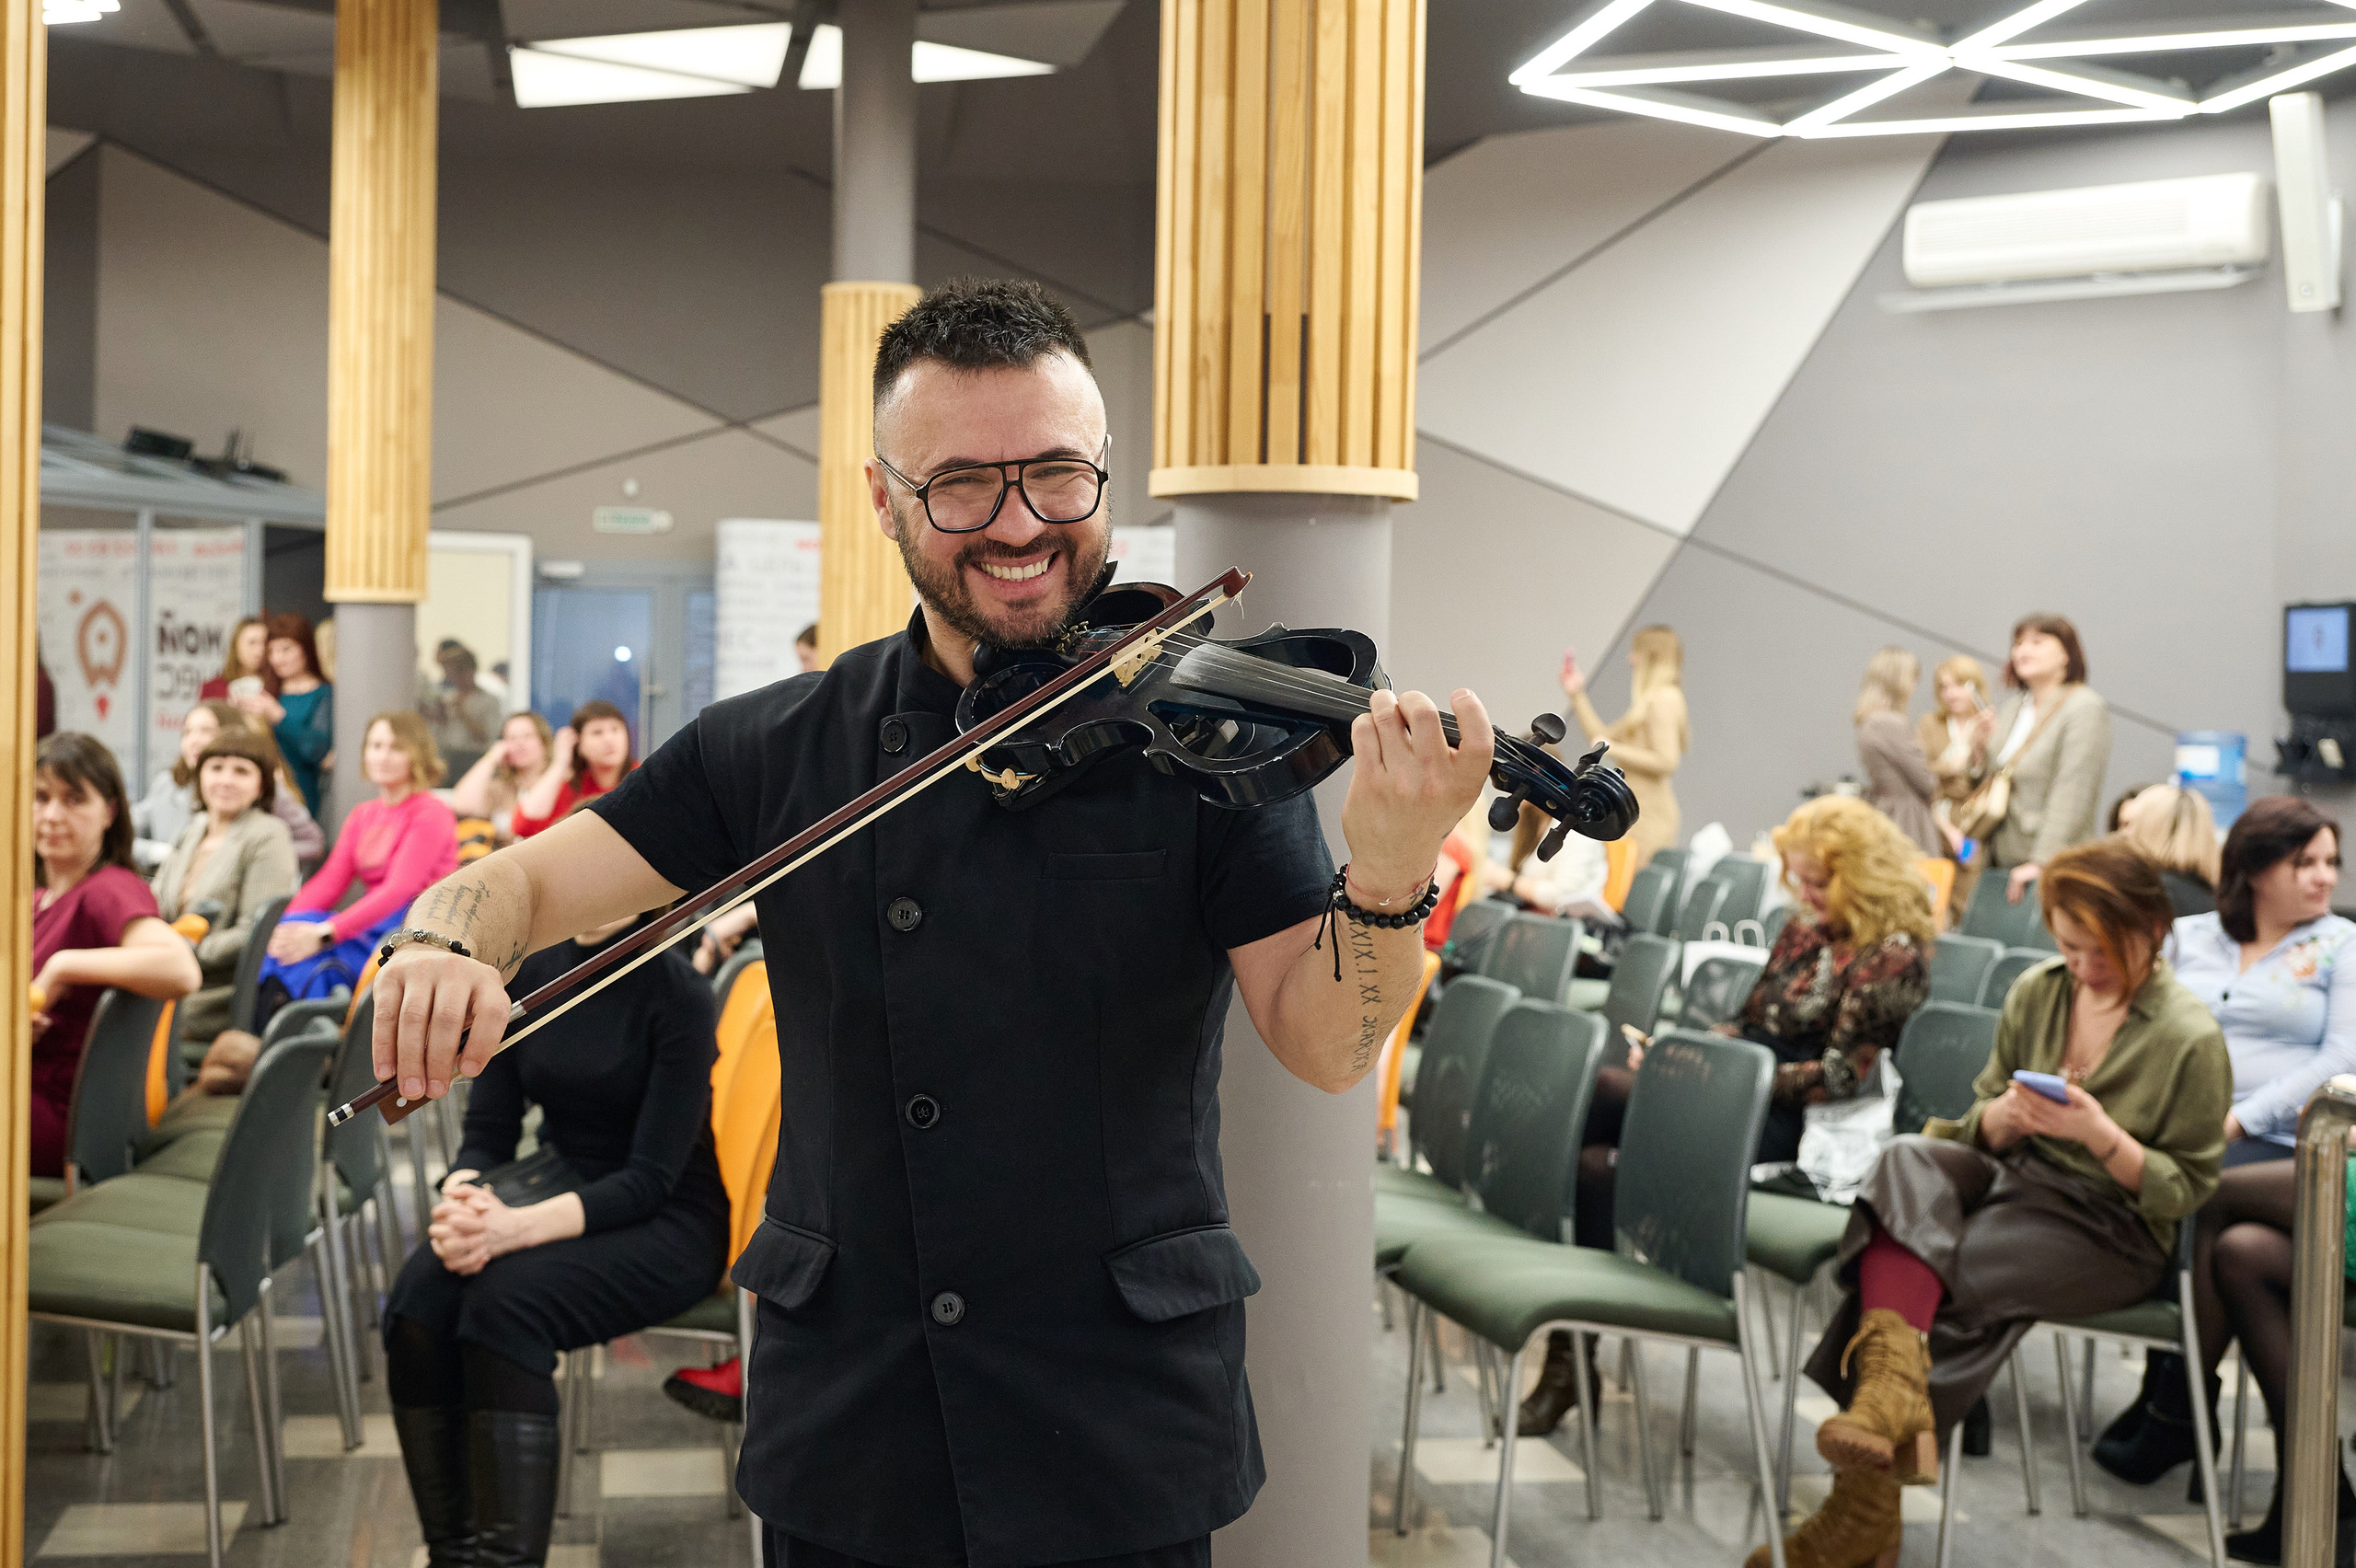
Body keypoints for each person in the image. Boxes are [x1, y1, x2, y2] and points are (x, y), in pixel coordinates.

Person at [368, 276, 1493, 1567]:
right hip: (858, 1408)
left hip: (1116, 1414)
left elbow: (1327, 1045)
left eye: (1057, 476)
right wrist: (442, 943)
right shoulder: (779, 746)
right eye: (962, 485)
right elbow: (517, 886)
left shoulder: (1200, 741)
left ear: (1105, 478)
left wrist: (1393, 869)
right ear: (883, 500)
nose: (1020, 525)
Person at [1755, 839, 2228, 1568]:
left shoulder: (2189, 1036)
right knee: (1909, 1158)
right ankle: (1886, 1408)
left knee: (1935, 1271)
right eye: (2070, 947)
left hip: (2113, 1225)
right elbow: (1974, 1119)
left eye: (2100, 951)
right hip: (2018, 1175)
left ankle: (1860, 1505)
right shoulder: (2042, 989)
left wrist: (2100, 1135)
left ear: (2153, 930)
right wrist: (2003, 1118)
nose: (2083, 967)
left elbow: (2187, 1189)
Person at [1521, 795, 1931, 1437]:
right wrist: (1696, 1052)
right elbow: (1744, 1022)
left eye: (1821, 882)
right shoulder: (1803, 929)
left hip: (1798, 1124)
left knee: (1603, 1092)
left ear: (1864, 877)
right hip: (1736, 1087)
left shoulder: (1893, 956)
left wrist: (1729, 1074)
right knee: (1595, 1166)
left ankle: (1563, 1323)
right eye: (1802, 880)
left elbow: (1841, 1076)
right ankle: (1571, 1358)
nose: (1808, 894)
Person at [387, 905, 730, 1568]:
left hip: (669, 1218)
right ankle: (451, 1553)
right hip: (556, 1174)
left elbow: (649, 1180)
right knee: (418, 1298)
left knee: (504, 1305)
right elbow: (488, 1131)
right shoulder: (531, 975)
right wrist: (463, 1197)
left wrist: (510, 1230)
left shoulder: (679, 992)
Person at [2094, 796, 2356, 1503]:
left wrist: (2239, 1120)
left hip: (2297, 1144)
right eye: (2306, 863)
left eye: (2331, 861)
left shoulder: (2342, 945)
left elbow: (2340, 1059)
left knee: (2196, 1190)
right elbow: (2145, 1028)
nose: (2326, 878)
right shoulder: (2189, 938)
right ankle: (2311, 1492)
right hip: (2189, 1130)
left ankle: (2176, 1407)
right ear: (2255, 868)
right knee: (2233, 1245)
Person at [29, 734, 201, 1177]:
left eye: (73, 800)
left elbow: (180, 968)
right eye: (40, 797)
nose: (51, 816)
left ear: (108, 812)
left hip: (51, 1117)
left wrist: (63, 966)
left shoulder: (108, 889)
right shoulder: (37, 898)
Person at [261, 712, 457, 1009]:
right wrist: (284, 924)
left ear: (417, 755)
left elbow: (399, 890)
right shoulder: (363, 814)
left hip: (408, 932)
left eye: (396, 748)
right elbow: (330, 881)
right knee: (291, 932)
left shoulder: (431, 812)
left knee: (312, 949)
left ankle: (309, 1034)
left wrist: (325, 933)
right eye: (376, 746)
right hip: (371, 924)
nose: (383, 756)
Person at [150, 728, 300, 1043]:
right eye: (216, 767)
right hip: (167, 971)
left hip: (213, 992)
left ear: (262, 785)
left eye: (241, 771)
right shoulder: (195, 828)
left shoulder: (268, 834)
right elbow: (155, 903)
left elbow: (253, 932)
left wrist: (185, 951)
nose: (226, 780)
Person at [1967, 614, 2112, 906]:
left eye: (2037, 642)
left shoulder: (2084, 708)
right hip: (1998, 858)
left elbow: (2073, 792)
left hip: (2048, 866)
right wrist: (1978, 751)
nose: (2022, 650)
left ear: (2066, 655)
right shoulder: (2012, 709)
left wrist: (2042, 861)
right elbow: (1988, 782)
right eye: (2018, 643)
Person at [1558, 627, 1684, 870]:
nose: (1630, 658)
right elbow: (1600, 739)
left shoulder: (1664, 699)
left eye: (1636, 651)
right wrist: (1577, 695)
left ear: (1651, 655)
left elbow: (1668, 761)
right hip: (1632, 810)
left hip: (1649, 817)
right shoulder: (1648, 702)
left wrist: (1615, 748)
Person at [1854, 645, 1947, 859]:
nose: (1914, 687)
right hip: (1906, 821)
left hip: (1884, 812)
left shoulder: (1868, 720)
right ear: (1899, 681)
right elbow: (1925, 782)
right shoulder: (1891, 723)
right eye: (1913, 679)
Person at [237, 612, 334, 814]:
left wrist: (279, 717)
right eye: (271, 651)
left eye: (286, 649)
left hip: (301, 793)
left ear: (305, 649)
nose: (278, 659)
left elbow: (318, 751)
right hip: (256, 791)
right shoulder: (265, 690)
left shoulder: (323, 694)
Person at [1919, 655, 1993, 914]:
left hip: (1971, 823)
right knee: (1929, 895)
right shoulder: (1931, 724)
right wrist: (1951, 767)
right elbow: (1920, 771)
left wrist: (1979, 748)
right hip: (1933, 817)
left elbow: (1988, 776)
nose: (1951, 693)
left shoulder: (1988, 725)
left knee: (1967, 895)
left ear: (1975, 687)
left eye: (1959, 685)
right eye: (1943, 687)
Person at [510, 700, 634, 840]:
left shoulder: (642, 777)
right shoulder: (573, 788)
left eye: (615, 729)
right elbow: (523, 826)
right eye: (597, 732)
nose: (609, 739)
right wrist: (560, 763)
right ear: (578, 744)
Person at [445, 711, 557, 846]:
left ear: (544, 742)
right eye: (512, 738)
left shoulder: (560, 784)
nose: (520, 743)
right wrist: (492, 756)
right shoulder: (502, 789)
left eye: (527, 736)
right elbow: (462, 804)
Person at [2118, 783, 2223, 917]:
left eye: (2130, 824)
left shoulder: (2139, 894)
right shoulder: (2219, 902)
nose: (2123, 834)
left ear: (2148, 829)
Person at [422, 640, 502, 766]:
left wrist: (462, 714)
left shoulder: (488, 700)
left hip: (474, 758)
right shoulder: (448, 697)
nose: (454, 678)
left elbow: (488, 736)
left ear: (469, 671)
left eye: (456, 673)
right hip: (447, 757)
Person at [200, 615, 274, 702]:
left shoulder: (277, 687)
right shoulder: (213, 688)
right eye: (252, 643)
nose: (260, 650)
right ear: (235, 646)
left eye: (265, 643)